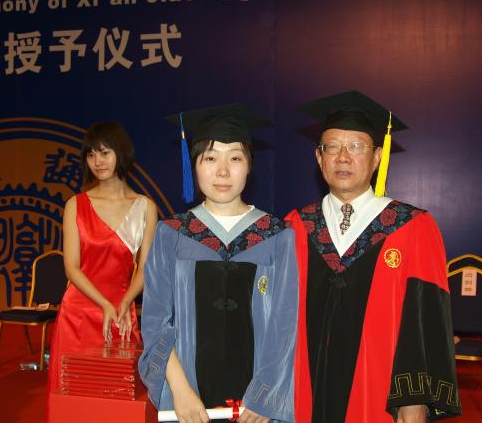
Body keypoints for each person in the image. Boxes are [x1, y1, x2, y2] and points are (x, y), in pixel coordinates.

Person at [285, 91, 461, 423]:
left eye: (356, 146)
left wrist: (414, 401)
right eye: (332, 147)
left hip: (378, 396)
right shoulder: (295, 226)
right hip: (303, 393)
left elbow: (426, 323)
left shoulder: (412, 227)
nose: (343, 157)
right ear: (319, 157)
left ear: (378, 156)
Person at [139, 104, 298, 423]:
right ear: (194, 165)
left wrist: (265, 397)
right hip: (189, 402)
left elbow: (287, 324)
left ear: (249, 166)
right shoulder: (172, 234)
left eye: (235, 158)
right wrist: (181, 392)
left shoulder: (278, 236)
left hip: (258, 407)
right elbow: (156, 321)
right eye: (210, 158)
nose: (222, 171)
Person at [47, 121, 158, 397]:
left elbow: (146, 268)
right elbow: (72, 268)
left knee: (116, 396)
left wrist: (125, 302)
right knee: (72, 396)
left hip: (120, 313)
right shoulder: (75, 205)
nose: (98, 161)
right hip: (78, 315)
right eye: (91, 154)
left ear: (122, 153)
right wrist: (104, 304)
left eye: (105, 153)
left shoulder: (145, 207)